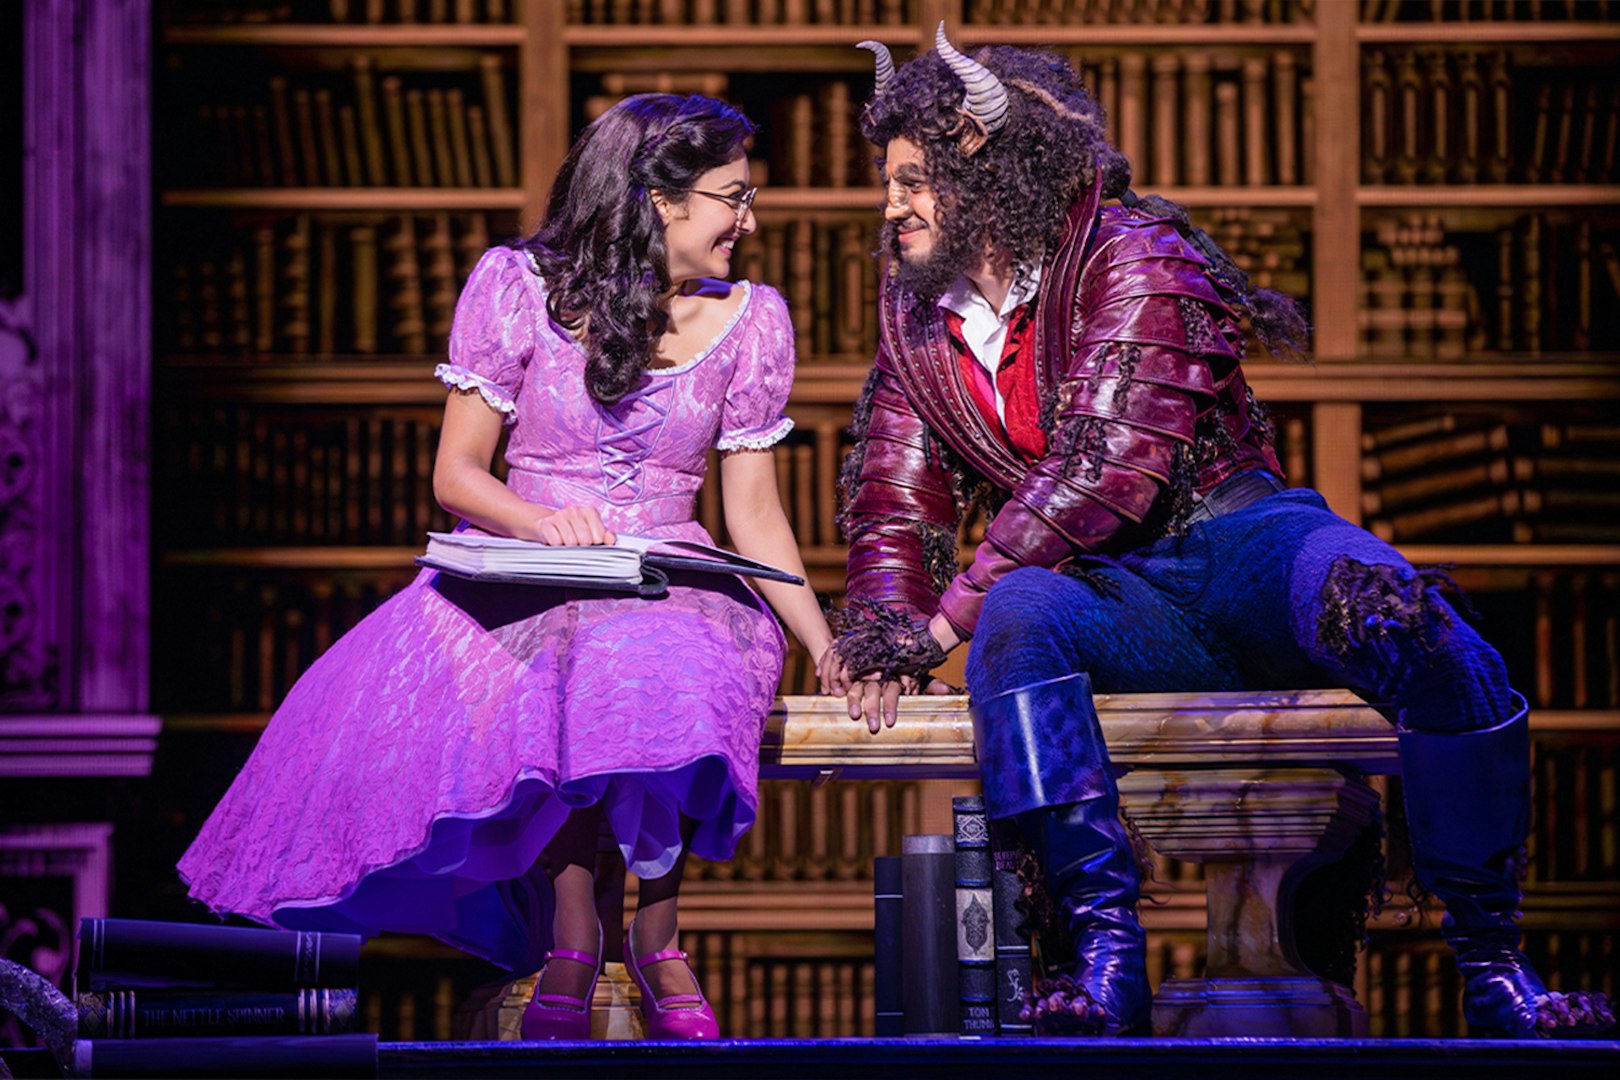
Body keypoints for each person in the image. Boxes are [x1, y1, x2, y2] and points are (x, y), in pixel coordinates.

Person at [824, 26, 1614, 1040]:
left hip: (1245, 546)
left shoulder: (1133, 251)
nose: (890, 206)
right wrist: (888, 634)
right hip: (1115, 593)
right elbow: (897, 500)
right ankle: (1103, 960)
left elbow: (1104, 465)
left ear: (990, 169)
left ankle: (1497, 968)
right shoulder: (916, 322)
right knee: (1020, 614)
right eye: (888, 182)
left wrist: (939, 632)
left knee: (1409, 619)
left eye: (911, 181)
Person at [180, 93, 837, 1041]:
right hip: (532, 558)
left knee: (668, 655)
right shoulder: (515, 286)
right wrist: (545, 522)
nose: (750, 219)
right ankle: (575, 935)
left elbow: (757, 513)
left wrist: (820, 638)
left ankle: (657, 934)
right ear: (660, 200)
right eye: (734, 196)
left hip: (671, 564)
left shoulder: (753, 320)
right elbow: (456, 474)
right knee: (561, 660)